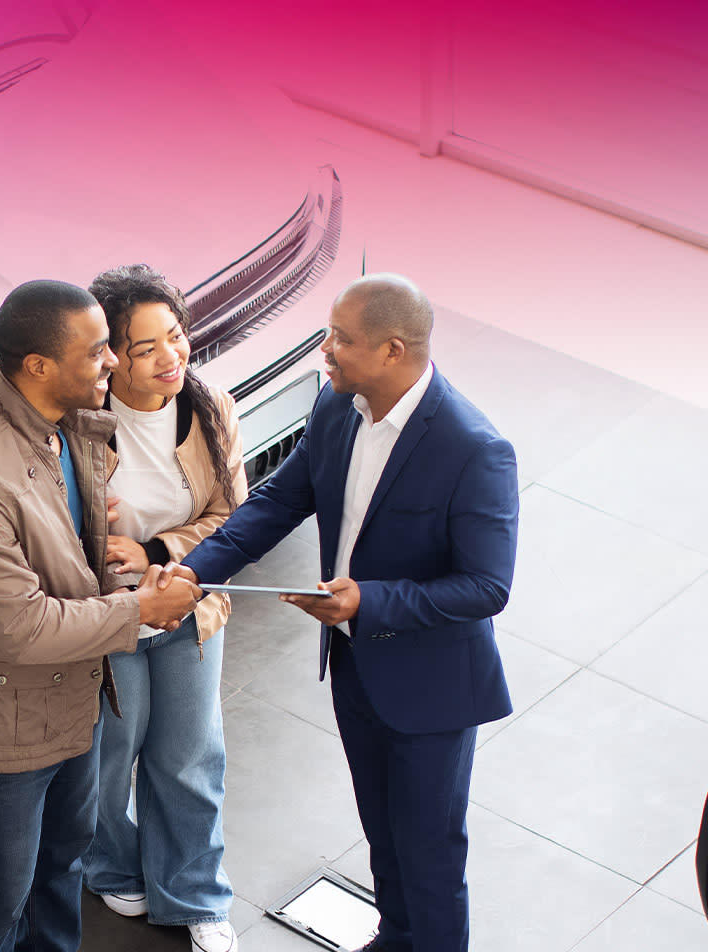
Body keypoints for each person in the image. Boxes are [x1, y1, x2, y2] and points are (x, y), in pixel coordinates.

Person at [165, 273, 518, 952]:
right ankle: (395, 937)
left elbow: (486, 586)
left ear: (392, 350)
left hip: (432, 690)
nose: (325, 351)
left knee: (430, 852)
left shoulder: (474, 450)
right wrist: (195, 572)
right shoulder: (337, 405)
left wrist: (369, 600)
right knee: (383, 831)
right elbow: (277, 501)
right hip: (357, 665)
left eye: (341, 339)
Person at [0, 278, 201, 952]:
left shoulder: (66, 427)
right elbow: (20, 628)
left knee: (62, 871)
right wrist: (140, 609)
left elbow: (70, 564)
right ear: (38, 367)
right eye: (98, 350)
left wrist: (128, 564)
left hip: (74, 704)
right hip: (5, 729)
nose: (113, 362)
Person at [80, 265, 246, 952]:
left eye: (175, 337)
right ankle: (110, 864)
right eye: (146, 347)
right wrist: (98, 542)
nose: (171, 357)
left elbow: (231, 517)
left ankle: (195, 894)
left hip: (185, 608)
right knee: (107, 757)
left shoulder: (210, 410)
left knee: (189, 755)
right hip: (108, 618)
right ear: (111, 355)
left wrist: (156, 550)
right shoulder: (77, 425)